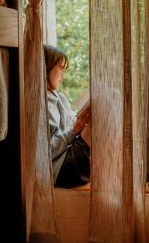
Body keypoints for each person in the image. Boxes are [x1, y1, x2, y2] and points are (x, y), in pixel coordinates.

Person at [44, 45, 90, 188]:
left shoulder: (60, 97)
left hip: (69, 152)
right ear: (47, 66)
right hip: (59, 167)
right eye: (61, 69)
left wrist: (80, 121)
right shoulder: (37, 104)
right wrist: (74, 130)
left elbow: (72, 124)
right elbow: (45, 153)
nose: (63, 76)